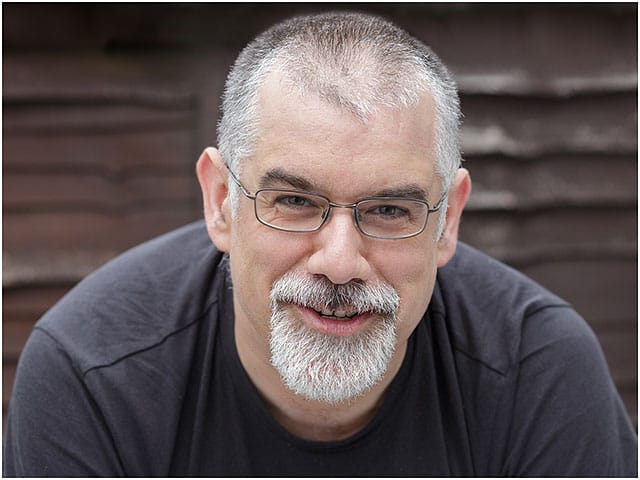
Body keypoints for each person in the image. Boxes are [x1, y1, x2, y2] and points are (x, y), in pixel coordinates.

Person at [4, 12, 637, 477]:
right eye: (296, 202)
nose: (339, 262)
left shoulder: (538, 372)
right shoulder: (92, 375)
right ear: (221, 202)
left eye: (390, 209)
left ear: (447, 221)